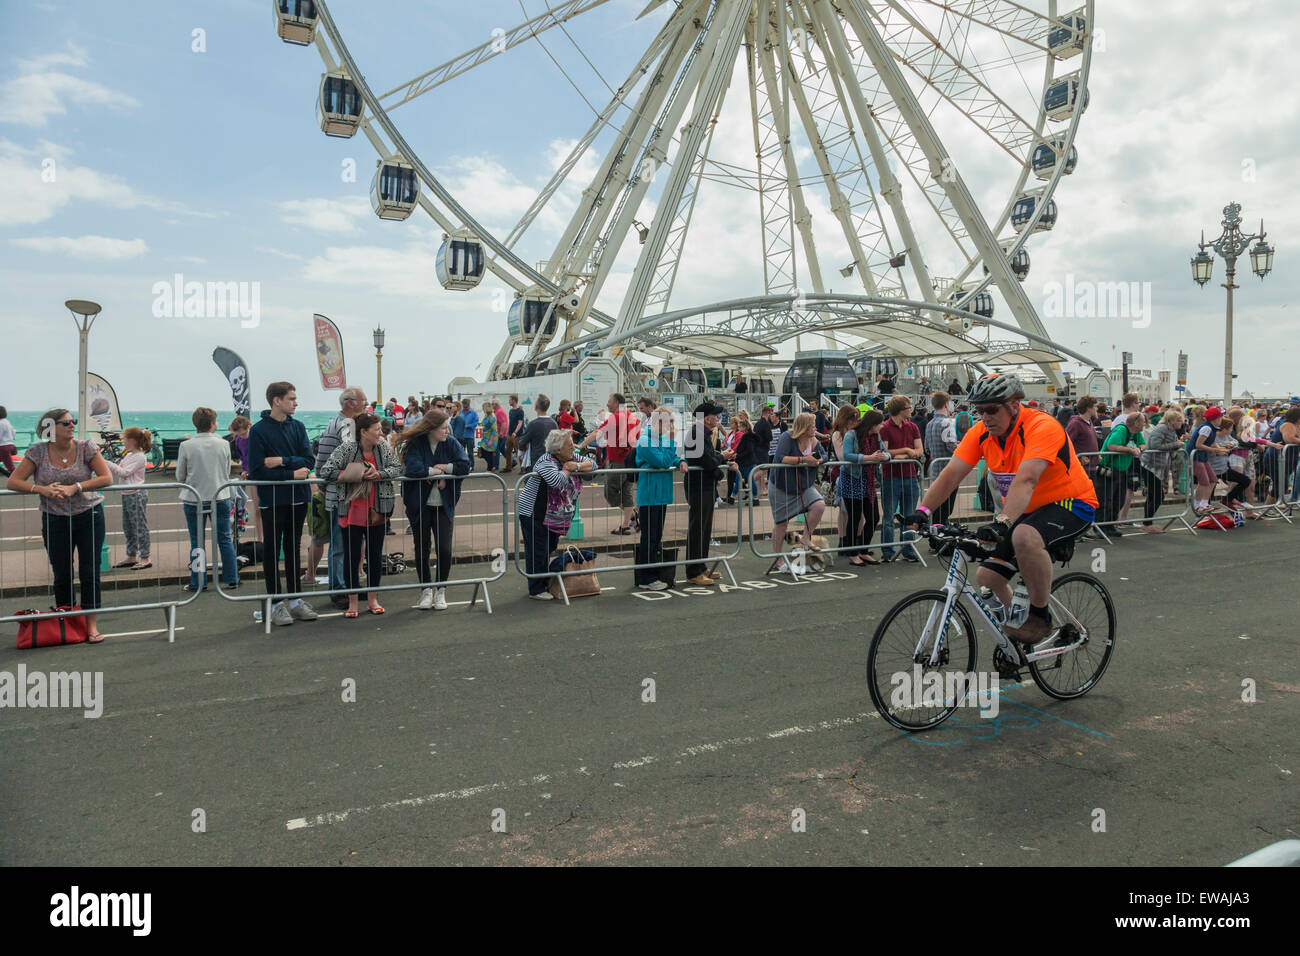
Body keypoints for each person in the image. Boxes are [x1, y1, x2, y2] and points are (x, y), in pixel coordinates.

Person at [909, 373, 1098, 646]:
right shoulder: (982, 433)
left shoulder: (1041, 426)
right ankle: (1018, 631)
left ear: (1013, 404)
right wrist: (923, 511)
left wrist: (1003, 521)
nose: (985, 416)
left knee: (1023, 536)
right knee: (987, 576)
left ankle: (1039, 617)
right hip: (1028, 509)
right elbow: (951, 474)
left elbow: (1027, 478)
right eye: (979, 410)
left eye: (991, 409)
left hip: (1072, 502)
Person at [6, 408, 112, 641]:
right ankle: (69, 624)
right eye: (66, 423)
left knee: (89, 571)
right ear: (50, 428)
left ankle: (91, 624)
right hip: (54, 518)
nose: (72, 425)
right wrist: (41, 489)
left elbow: (107, 478)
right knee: (62, 573)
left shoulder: (86, 447)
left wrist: (77, 487)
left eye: (73, 421)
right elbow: (14, 481)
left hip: (89, 515)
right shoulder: (38, 451)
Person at [318, 413, 403, 617]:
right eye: (377, 430)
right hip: (352, 510)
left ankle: (373, 599)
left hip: (378, 509)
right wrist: (356, 473)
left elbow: (397, 468)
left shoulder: (382, 447)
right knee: (351, 557)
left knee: (374, 556)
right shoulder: (347, 449)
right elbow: (326, 471)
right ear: (363, 432)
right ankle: (353, 602)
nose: (381, 433)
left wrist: (380, 474)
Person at [248, 381, 318, 627]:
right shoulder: (257, 431)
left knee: (292, 548)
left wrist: (280, 461)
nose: (296, 402)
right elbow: (257, 471)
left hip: (298, 498)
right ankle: (276, 603)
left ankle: (295, 600)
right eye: (291, 398)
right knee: (271, 550)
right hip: (273, 500)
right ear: (276, 400)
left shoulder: (298, 427)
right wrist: (291, 473)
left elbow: (308, 460)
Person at [397, 409, 471, 610]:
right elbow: (412, 468)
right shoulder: (416, 444)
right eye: (444, 427)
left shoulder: (452, 443)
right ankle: (426, 591)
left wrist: (445, 468)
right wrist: (434, 471)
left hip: (443, 506)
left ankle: (440, 590)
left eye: (448, 427)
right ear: (432, 428)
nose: (448, 431)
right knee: (421, 549)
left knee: (444, 550)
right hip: (420, 506)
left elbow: (465, 465)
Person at [515, 429, 596, 600]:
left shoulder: (570, 458)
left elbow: (593, 465)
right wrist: (568, 469)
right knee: (538, 550)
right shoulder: (546, 460)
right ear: (557, 449)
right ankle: (536, 588)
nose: (573, 449)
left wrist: (577, 466)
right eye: (569, 445)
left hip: (552, 515)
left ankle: (544, 581)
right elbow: (556, 481)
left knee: (549, 547)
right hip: (533, 512)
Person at [313, 387, 368, 607]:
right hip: (343, 494)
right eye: (363, 400)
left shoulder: (338, 424)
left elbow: (322, 463)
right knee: (342, 543)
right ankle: (339, 588)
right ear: (350, 403)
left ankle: (347, 585)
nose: (366, 404)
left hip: (341, 492)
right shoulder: (346, 425)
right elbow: (349, 459)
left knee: (348, 542)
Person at [176, 407, 241, 593]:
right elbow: (226, 471)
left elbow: (180, 475)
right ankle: (232, 578)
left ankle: (198, 582)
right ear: (213, 423)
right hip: (220, 495)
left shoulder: (186, 446)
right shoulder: (223, 444)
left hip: (193, 498)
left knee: (197, 541)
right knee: (224, 538)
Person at [633, 408, 686, 591]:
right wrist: (672, 442)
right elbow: (662, 461)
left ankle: (650, 574)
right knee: (649, 536)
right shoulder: (645, 440)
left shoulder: (661, 440)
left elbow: (670, 459)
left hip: (661, 494)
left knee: (656, 536)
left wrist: (679, 462)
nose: (672, 427)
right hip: (649, 495)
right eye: (668, 422)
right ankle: (646, 577)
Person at [682, 401, 734, 586]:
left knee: (704, 528)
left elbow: (709, 460)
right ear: (706, 417)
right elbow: (706, 460)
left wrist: (718, 462)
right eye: (715, 415)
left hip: (705, 485)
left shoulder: (702, 433)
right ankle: (693, 570)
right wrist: (722, 457)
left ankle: (701, 566)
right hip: (699, 486)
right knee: (698, 528)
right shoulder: (697, 433)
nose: (718, 418)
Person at [769, 412, 826, 575]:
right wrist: (803, 460)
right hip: (782, 486)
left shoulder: (814, 440)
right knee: (781, 523)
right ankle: (778, 558)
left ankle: (807, 537)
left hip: (803, 486)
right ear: (804, 427)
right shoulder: (788, 437)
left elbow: (825, 455)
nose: (815, 428)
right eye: (812, 425)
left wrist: (818, 461)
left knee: (819, 505)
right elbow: (780, 458)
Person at [579, 393, 640, 535]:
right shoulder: (632, 417)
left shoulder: (617, 417)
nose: (607, 404)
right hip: (631, 461)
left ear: (617, 403)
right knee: (626, 492)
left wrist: (581, 445)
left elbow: (597, 432)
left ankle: (632, 516)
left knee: (609, 491)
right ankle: (627, 523)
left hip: (618, 461)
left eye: (609, 401)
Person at [879, 395, 924, 563]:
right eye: (908, 407)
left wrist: (901, 454)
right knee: (889, 516)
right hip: (891, 477)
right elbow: (886, 452)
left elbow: (919, 450)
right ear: (900, 410)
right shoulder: (884, 428)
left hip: (911, 476)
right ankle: (888, 552)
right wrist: (906, 450)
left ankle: (908, 549)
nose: (910, 409)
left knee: (909, 516)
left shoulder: (912, 427)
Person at [107, 426, 152, 569]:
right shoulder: (129, 454)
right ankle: (131, 555)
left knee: (139, 525)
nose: (122, 442)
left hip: (136, 493)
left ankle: (145, 557)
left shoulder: (140, 456)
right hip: (127, 493)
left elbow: (125, 472)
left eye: (124, 439)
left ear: (132, 440)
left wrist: (107, 463)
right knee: (128, 526)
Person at [1096, 412, 1145, 534]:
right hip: (1108, 470)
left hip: (1122, 470)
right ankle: (1100, 527)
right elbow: (1111, 445)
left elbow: (1144, 444)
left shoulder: (1136, 433)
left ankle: (1111, 525)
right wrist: (1130, 450)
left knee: (1119, 500)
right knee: (1106, 499)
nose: (1145, 424)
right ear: (1136, 423)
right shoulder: (1121, 430)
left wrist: (1140, 449)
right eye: (1143, 422)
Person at [1138, 408, 1183, 532]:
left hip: (1157, 466)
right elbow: (1154, 446)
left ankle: (1147, 523)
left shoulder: (1170, 430)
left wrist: (1176, 444)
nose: (1182, 423)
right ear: (1172, 421)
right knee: (1157, 495)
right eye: (1179, 420)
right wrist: (1175, 445)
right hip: (1150, 466)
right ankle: (1147, 524)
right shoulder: (1162, 428)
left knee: (1155, 495)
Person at [924, 392, 960, 524]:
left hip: (935, 472)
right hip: (949, 472)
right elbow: (951, 446)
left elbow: (926, 448)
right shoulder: (947, 422)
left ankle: (935, 535)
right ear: (946, 404)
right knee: (946, 510)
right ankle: (941, 537)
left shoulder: (930, 424)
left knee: (937, 510)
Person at [518, 394, 556, 473]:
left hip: (536, 461)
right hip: (551, 461)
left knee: (532, 483)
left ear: (536, 407)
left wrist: (523, 448)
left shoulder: (533, 424)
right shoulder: (554, 423)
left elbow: (522, 442)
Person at [503, 394, 526, 472]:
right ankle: (508, 467)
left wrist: (515, 432)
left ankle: (523, 469)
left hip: (517, 435)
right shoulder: (511, 411)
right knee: (508, 451)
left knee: (518, 452)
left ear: (514, 400)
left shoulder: (520, 411)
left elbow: (520, 423)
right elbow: (511, 423)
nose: (509, 401)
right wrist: (508, 432)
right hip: (510, 434)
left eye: (510, 400)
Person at [478, 401, 499, 472]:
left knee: (488, 453)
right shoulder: (486, 415)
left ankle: (490, 468)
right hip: (485, 438)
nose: (482, 409)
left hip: (491, 437)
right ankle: (491, 466)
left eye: (483, 407)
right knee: (483, 451)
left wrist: (491, 440)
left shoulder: (492, 417)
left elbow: (494, 430)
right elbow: (485, 424)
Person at [0, 406, 16, 476]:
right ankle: (10, 476)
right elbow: (13, 433)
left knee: (11, 468)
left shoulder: (0, 423)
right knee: (10, 466)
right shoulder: (7, 422)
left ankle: (15, 479)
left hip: (3, 447)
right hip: (10, 445)